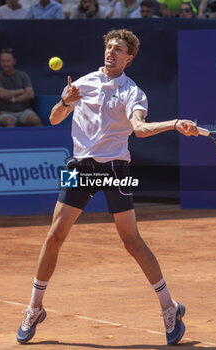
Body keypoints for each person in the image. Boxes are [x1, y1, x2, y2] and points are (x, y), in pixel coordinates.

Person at [16, 29, 199, 345]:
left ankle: (169, 309)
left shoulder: (133, 92)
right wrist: (65, 101)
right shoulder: (83, 83)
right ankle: (34, 308)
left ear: (129, 58)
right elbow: (55, 117)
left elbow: (139, 129)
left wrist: (174, 123)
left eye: (119, 49)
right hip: (80, 167)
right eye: (109, 47)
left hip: (115, 169)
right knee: (54, 235)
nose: (111, 52)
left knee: (131, 242)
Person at [0, 48, 43, 127]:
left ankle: (42, 139)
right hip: (5, 112)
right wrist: (22, 90)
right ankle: (11, 140)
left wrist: (12, 99)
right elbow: (2, 95)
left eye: (8, 61)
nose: (5, 64)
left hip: (24, 111)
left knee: (35, 120)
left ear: (14, 61)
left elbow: (30, 94)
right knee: (9, 122)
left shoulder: (23, 75)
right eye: (3, 61)